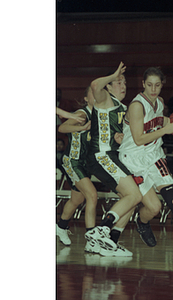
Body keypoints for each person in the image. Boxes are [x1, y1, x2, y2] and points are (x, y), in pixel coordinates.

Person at [119, 67, 173, 265]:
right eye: (149, 84)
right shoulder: (136, 106)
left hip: (155, 157)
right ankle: (142, 223)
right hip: (134, 160)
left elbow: (162, 121)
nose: (153, 89)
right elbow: (139, 139)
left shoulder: (159, 103)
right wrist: (166, 129)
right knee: (155, 207)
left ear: (162, 85)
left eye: (157, 85)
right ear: (143, 84)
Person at [85, 62, 143, 256]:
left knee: (130, 201)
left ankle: (109, 242)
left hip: (110, 156)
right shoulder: (105, 100)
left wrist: (120, 138)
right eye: (118, 82)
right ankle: (102, 230)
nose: (123, 85)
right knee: (135, 195)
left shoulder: (122, 107)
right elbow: (95, 86)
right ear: (109, 86)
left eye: (124, 82)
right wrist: (112, 75)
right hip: (101, 155)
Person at [56, 85, 102, 254]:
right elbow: (63, 128)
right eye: (92, 93)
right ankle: (91, 239)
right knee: (92, 195)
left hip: (84, 163)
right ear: (85, 98)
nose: (97, 95)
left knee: (77, 199)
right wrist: (81, 128)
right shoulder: (83, 114)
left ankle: (60, 227)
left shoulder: (99, 115)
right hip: (72, 161)